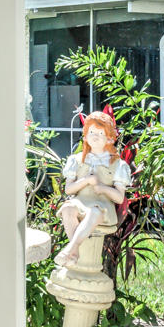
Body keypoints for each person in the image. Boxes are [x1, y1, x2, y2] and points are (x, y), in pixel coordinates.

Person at [55, 109, 130, 269]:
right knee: (68, 208)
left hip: (102, 207)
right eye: (91, 132)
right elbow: (69, 190)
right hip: (80, 202)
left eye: (100, 133)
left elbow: (119, 198)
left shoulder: (117, 164)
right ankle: (73, 251)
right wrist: (86, 180)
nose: (95, 136)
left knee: (94, 212)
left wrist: (102, 187)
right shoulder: (76, 160)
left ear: (109, 139)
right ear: (85, 135)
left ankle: (72, 250)